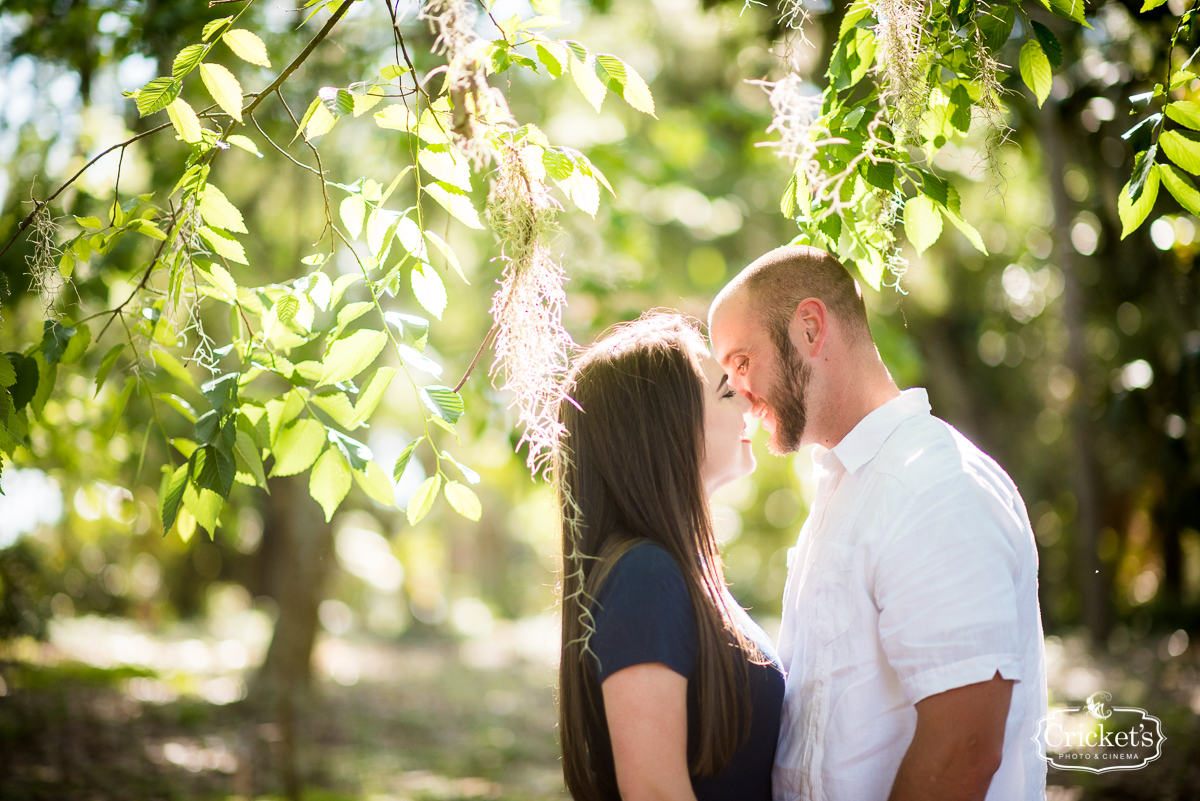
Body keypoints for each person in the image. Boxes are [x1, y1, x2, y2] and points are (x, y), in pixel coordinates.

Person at [708, 246, 1047, 801]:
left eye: (741, 363)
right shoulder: (846, 485)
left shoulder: (931, 486)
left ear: (811, 328)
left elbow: (964, 747)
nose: (738, 395)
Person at [555, 312, 785, 801]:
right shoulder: (646, 575)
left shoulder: (671, 571)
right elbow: (655, 791)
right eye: (725, 392)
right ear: (664, 430)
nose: (747, 397)